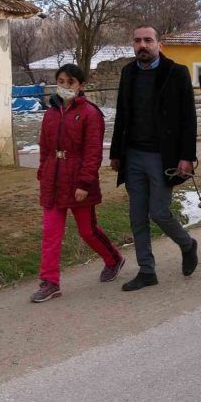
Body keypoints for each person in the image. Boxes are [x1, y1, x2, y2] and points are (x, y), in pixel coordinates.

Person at [110, 25, 198, 291]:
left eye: (148, 40)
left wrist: (187, 157)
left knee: (158, 211)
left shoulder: (177, 73)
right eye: (137, 40)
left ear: (159, 44)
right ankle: (147, 271)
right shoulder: (128, 73)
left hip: (163, 157)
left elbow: (189, 119)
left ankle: (187, 244)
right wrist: (116, 153)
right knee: (137, 216)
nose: (142, 45)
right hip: (133, 155)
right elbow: (122, 115)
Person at [32, 64, 125, 303]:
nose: (64, 86)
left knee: (87, 230)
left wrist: (84, 183)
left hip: (78, 180)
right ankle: (50, 282)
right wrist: (43, 170)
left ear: (81, 85)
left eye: (70, 82)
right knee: (51, 233)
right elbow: (45, 147)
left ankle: (113, 258)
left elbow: (93, 152)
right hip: (53, 179)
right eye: (61, 81)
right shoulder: (50, 113)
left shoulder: (90, 114)